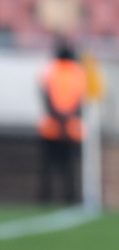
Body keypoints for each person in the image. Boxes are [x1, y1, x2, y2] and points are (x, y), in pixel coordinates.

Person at [37, 39, 87, 204]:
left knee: (48, 166)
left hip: (52, 126)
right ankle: (71, 198)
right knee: (70, 167)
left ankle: (45, 198)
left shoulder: (50, 70)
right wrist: (67, 119)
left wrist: (58, 118)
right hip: (72, 128)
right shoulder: (77, 72)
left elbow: (46, 97)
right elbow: (80, 101)